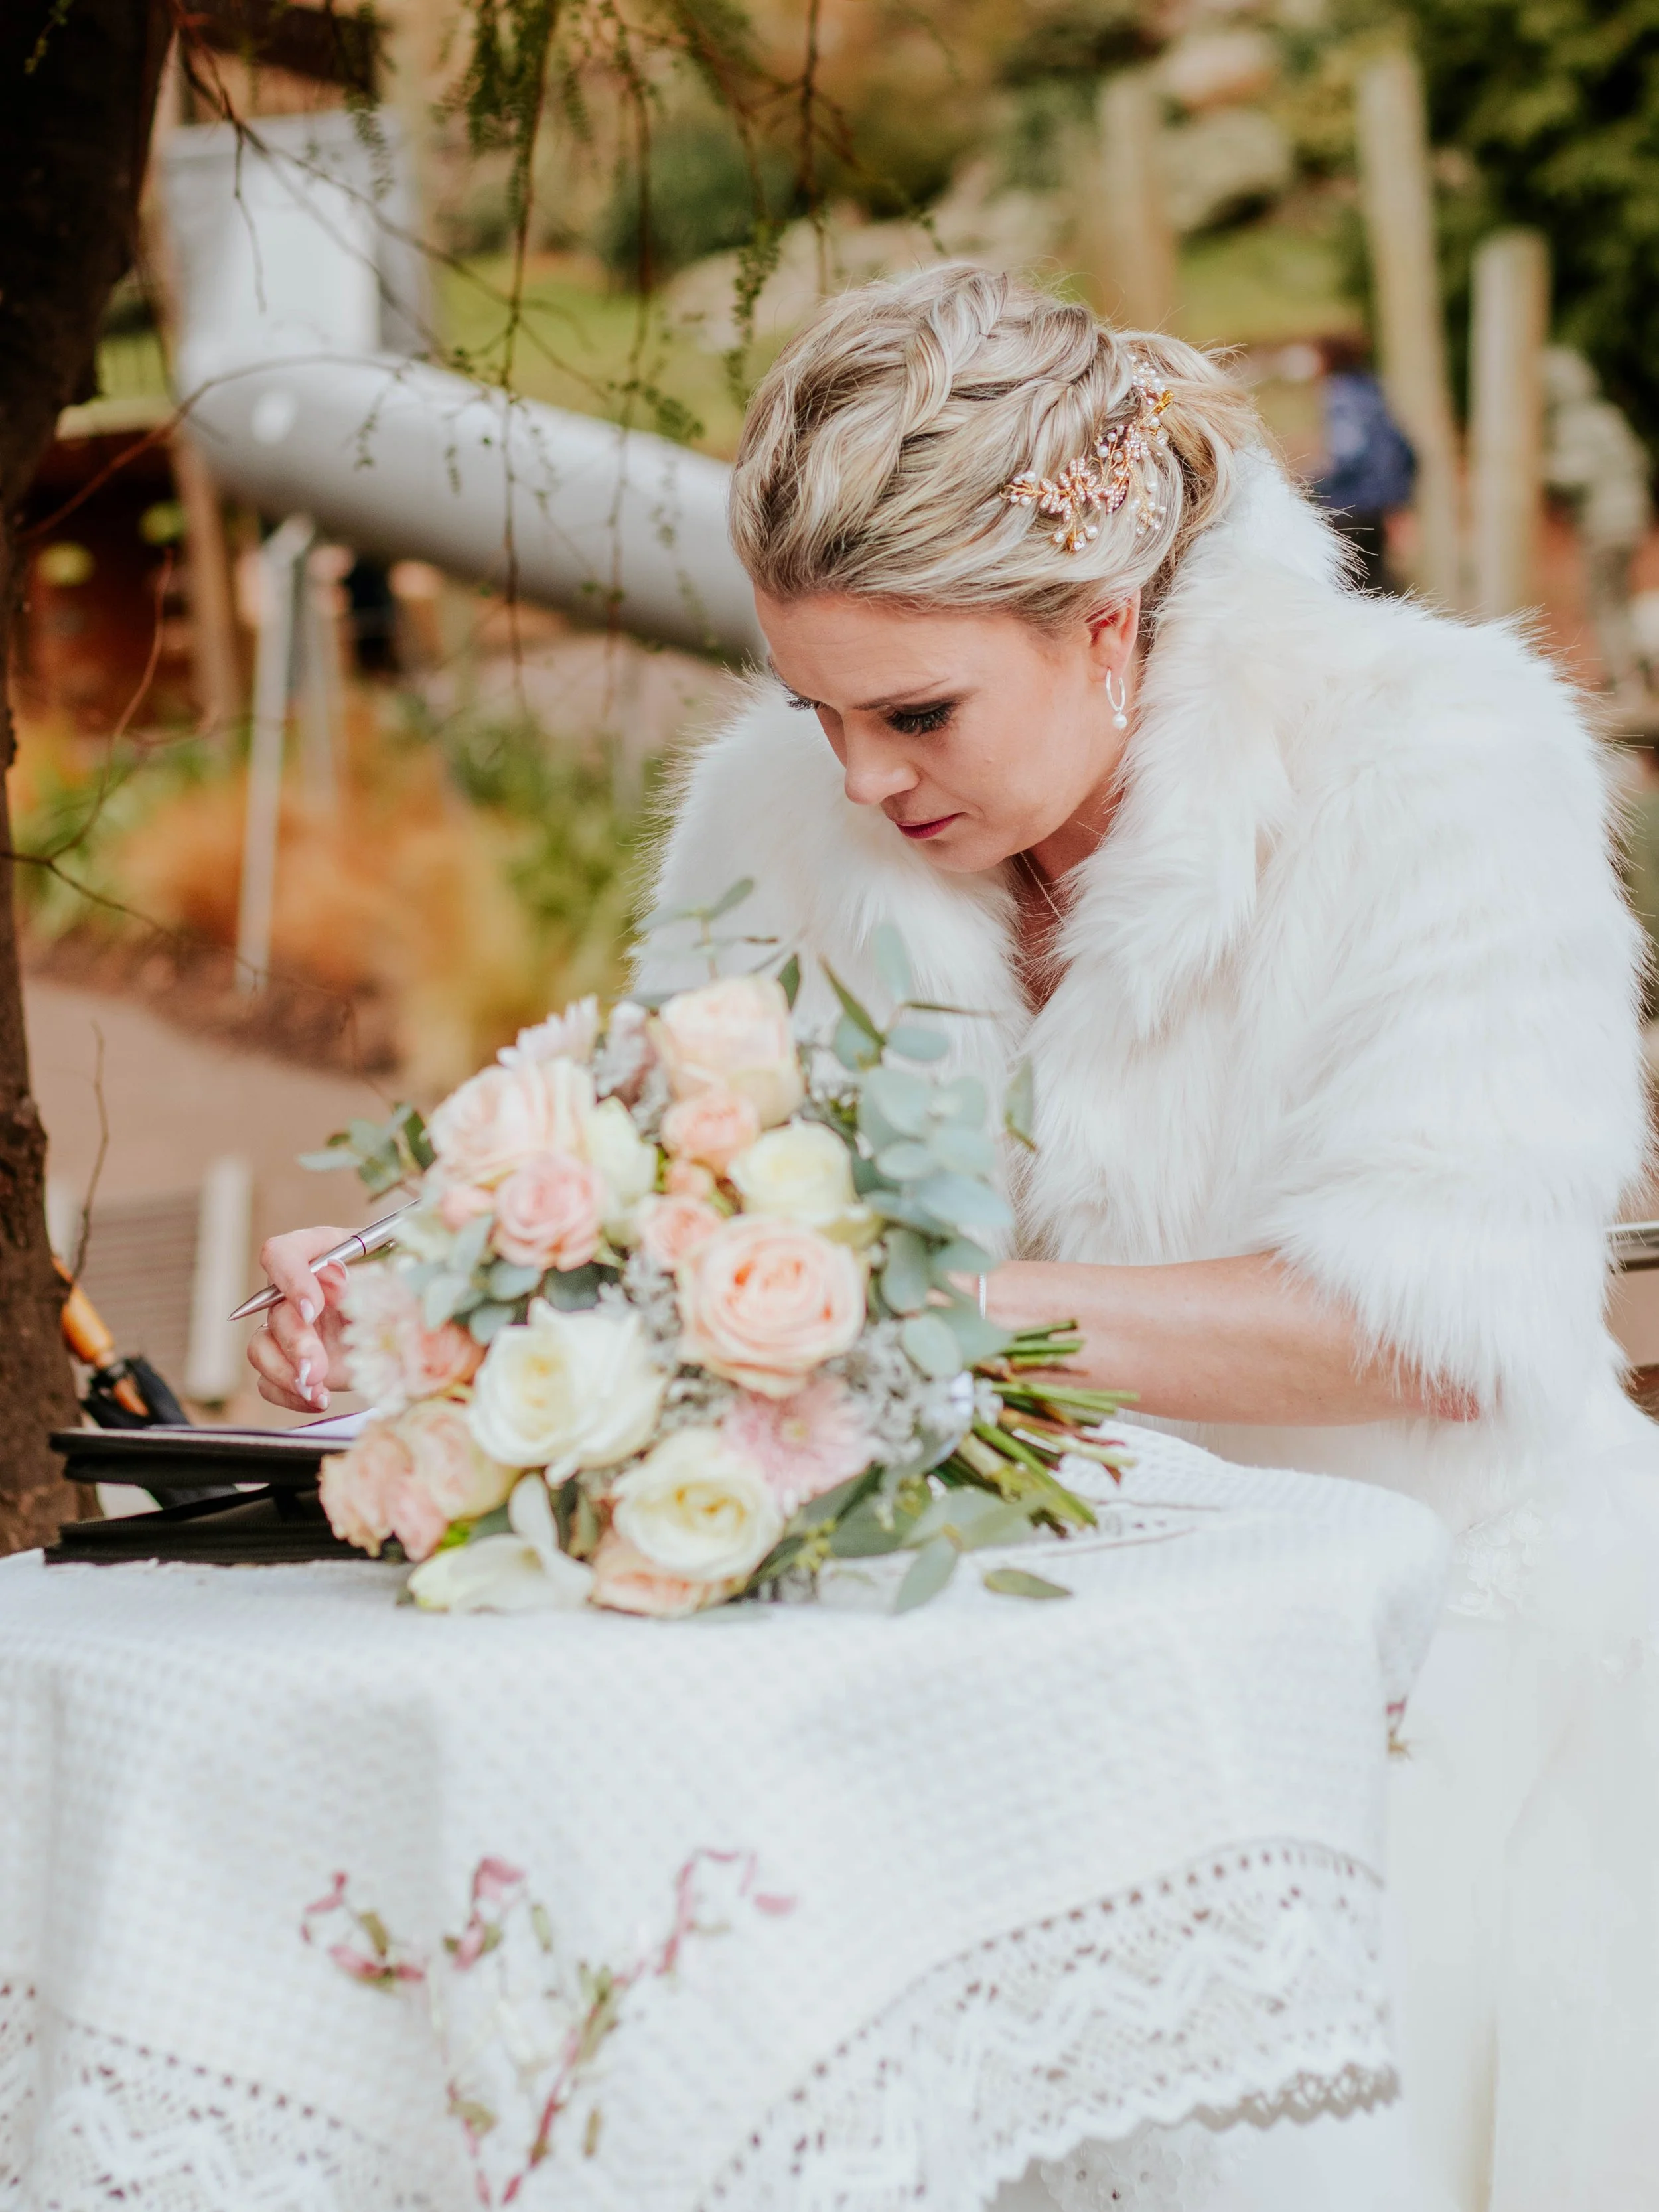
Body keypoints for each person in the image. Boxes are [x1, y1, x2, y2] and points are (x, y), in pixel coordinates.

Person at [252, 266, 1659, 2211]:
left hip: (1450, 1682)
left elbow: (1430, 1325)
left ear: (1106, 627)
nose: (856, 781)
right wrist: (445, 1271)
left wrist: (911, 1306)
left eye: (912, 711)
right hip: (984, 1681)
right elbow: (683, 1182)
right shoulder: (779, 806)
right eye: (809, 705)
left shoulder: (1442, 757)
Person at [1543, 345, 1654, 707]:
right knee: (1621, 599)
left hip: (1603, 523)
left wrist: (1538, 468)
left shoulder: (1574, 424)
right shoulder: (1608, 416)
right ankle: (1638, 672)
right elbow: (1639, 461)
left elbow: (1577, 474)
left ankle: (1625, 683)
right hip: (1633, 517)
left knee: (1605, 604)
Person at [1307, 333, 1415, 592]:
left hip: (1350, 506)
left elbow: (1349, 452)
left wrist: (1314, 484)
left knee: (1348, 586)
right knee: (1376, 581)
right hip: (1378, 506)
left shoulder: (1340, 395)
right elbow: (1406, 450)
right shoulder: (1372, 390)